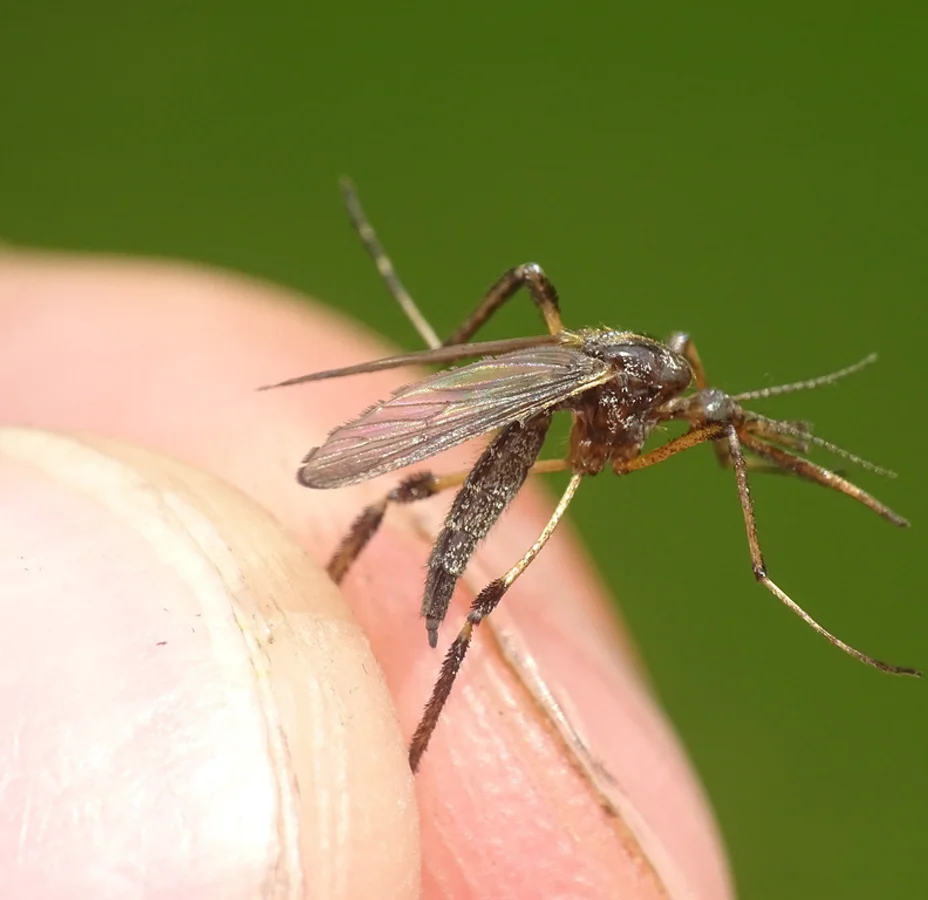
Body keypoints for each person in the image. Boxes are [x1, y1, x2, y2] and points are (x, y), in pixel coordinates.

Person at [0, 250, 733, 899]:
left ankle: (315, 611)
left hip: (548, 396)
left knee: (413, 490)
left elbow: (676, 359)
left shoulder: (650, 374)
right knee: (443, 562)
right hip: (532, 401)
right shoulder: (618, 377)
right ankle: (344, 672)